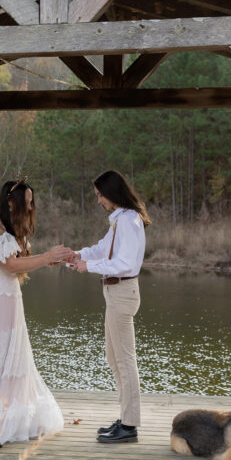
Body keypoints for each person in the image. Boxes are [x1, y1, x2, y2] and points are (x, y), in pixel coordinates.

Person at [0, 178, 72, 444]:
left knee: (8, 354)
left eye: (31, 202)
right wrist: (46, 257)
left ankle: (5, 403)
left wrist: (41, 261)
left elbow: (14, 265)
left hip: (2, 300)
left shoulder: (5, 228)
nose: (30, 207)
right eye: (25, 202)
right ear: (10, 201)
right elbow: (8, 266)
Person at [70, 170, 151, 444]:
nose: (98, 201)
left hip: (122, 292)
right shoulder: (119, 221)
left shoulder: (128, 221)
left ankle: (129, 426)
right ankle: (126, 417)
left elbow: (126, 264)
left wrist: (88, 266)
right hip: (115, 293)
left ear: (112, 193)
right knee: (113, 358)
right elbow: (103, 249)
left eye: (100, 195)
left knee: (125, 361)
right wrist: (78, 256)